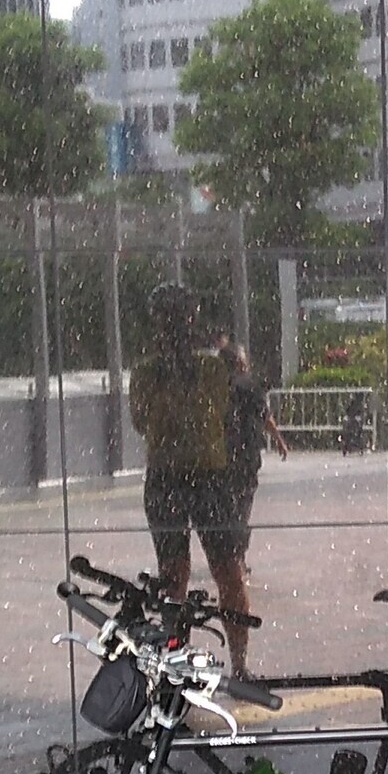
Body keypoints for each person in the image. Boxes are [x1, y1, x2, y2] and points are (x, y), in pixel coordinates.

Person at [128, 284, 255, 677]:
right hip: (205, 477)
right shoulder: (213, 369)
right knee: (223, 574)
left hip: (174, 478)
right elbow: (223, 411)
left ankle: (179, 663)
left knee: (179, 576)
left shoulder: (150, 373)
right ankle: (236, 666)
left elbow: (141, 422)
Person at [219, 340, 288, 568]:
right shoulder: (250, 386)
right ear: (240, 362)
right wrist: (278, 439)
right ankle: (237, 555)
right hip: (246, 453)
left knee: (226, 505)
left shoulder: (214, 387)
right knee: (243, 504)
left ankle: (228, 554)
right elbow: (264, 415)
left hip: (220, 455)